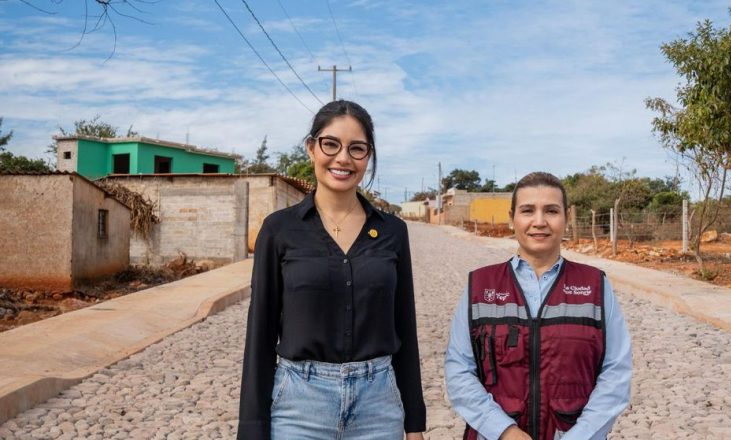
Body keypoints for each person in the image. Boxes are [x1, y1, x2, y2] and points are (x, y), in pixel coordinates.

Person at [238, 100, 426, 440]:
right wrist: (252, 430)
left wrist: (414, 423)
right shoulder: (279, 230)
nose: (343, 158)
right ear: (311, 148)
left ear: (368, 157)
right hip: (298, 408)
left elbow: (404, 326)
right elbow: (260, 333)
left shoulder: (393, 232)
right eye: (331, 144)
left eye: (357, 148)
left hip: (378, 409)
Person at [444, 172, 632, 440]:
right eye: (528, 210)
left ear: (566, 218)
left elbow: (616, 371)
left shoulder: (595, 285)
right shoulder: (480, 286)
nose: (539, 221)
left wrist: (579, 436)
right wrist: (504, 431)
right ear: (512, 218)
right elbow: (459, 369)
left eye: (551, 211)